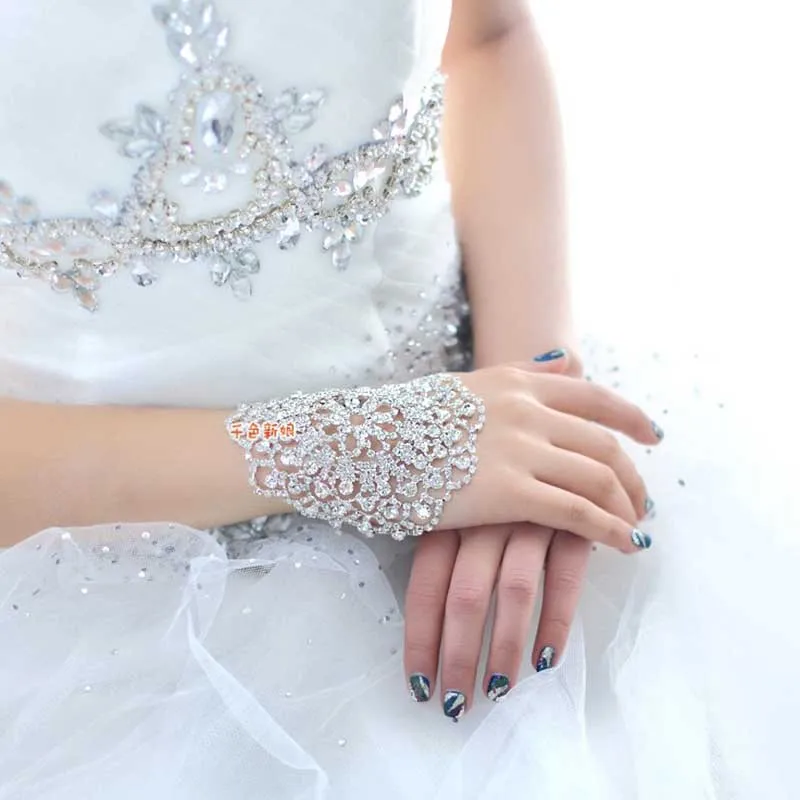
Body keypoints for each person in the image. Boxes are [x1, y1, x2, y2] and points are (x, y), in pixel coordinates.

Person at [0, 1, 796, 798]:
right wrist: (369, 451)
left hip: (487, 428)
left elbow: (487, 36)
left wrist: (535, 403)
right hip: (107, 600)